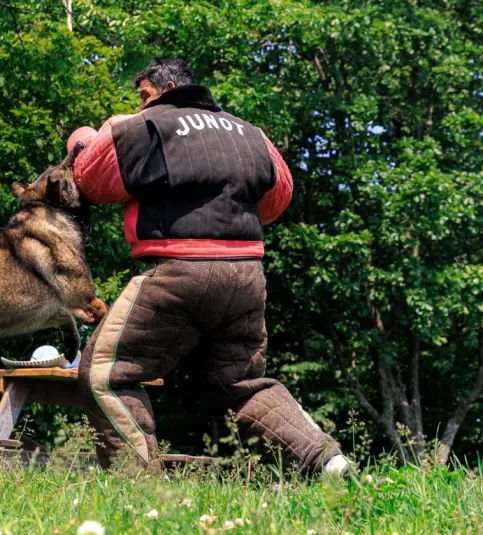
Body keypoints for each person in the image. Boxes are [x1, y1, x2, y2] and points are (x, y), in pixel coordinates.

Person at [67, 58, 348, 476]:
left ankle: (135, 486)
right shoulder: (251, 133)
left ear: (162, 88)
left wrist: (83, 140)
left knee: (106, 374)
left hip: (177, 272)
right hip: (246, 277)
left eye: (143, 95)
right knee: (240, 384)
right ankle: (328, 463)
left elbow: (91, 179)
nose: (141, 105)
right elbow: (278, 197)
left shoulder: (145, 125)